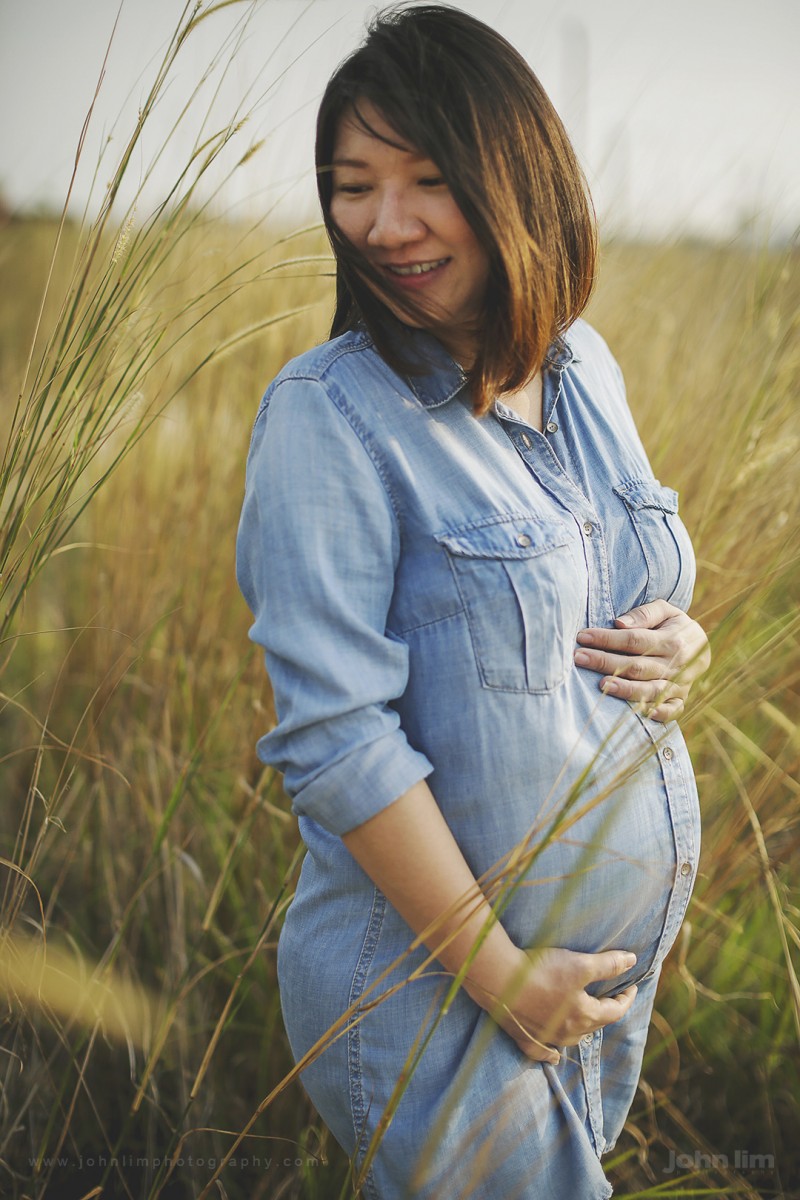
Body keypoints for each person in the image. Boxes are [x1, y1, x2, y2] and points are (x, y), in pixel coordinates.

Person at [236, 5, 710, 1197]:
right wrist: (498, 975)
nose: (381, 226)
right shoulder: (327, 416)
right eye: (351, 186)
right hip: (432, 992)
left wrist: (680, 642)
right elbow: (337, 741)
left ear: (513, 176)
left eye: (426, 180)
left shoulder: (582, 364)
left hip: (575, 992)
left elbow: (630, 576)